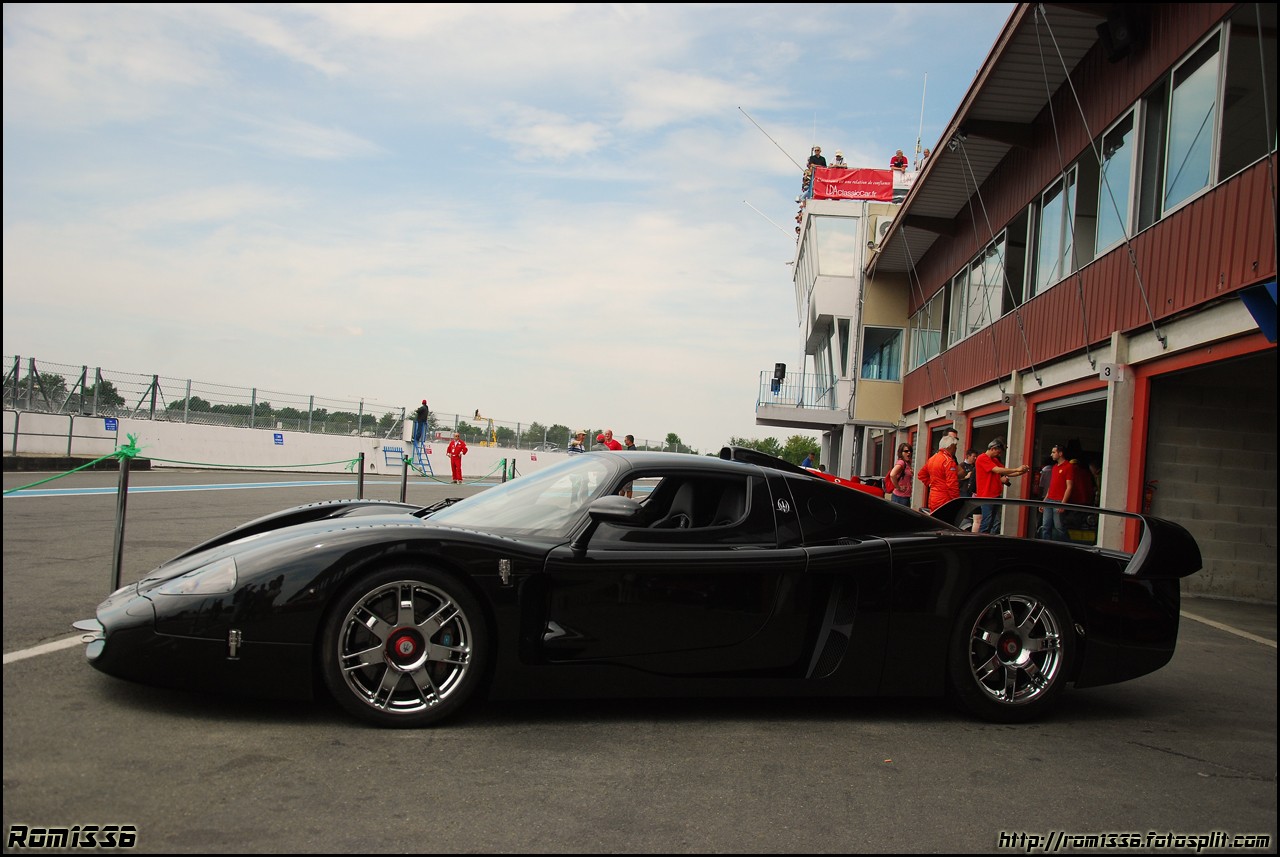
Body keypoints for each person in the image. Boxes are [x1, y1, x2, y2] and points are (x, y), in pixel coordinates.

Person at [974, 437, 1030, 534]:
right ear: (993, 448)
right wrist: (1017, 469)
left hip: (994, 495)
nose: (999, 455)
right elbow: (998, 470)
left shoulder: (993, 460)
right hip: (986, 496)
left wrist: (1021, 472)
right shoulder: (982, 458)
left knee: (994, 523)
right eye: (998, 452)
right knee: (986, 523)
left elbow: (1006, 472)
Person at [1040, 444, 1076, 541]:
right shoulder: (1055, 467)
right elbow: (1051, 485)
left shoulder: (1068, 466)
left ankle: (1067, 545)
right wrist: (1044, 500)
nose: (1051, 454)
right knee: (1045, 526)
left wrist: (1063, 503)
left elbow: (1069, 486)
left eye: (1053, 452)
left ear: (1060, 453)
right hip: (1049, 499)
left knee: (1059, 526)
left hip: (1058, 500)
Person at [917, 435, 960, 513]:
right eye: (955, 446)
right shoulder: (948, 462)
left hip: (933, 498)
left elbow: (921, 474)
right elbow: (952, 484)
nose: (956, 449)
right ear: (950, 446)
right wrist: (956, 501)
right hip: (945, 499)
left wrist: (931, 484)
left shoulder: (932, 458)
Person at [887, 442, 914, 507]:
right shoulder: (901, 463)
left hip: (905, 496)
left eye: (910, 451)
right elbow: (892, 474)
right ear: (901, 453)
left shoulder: (907, 463)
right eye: (906, 451)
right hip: (900, 497)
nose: (909, 453)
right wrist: (898, 487)